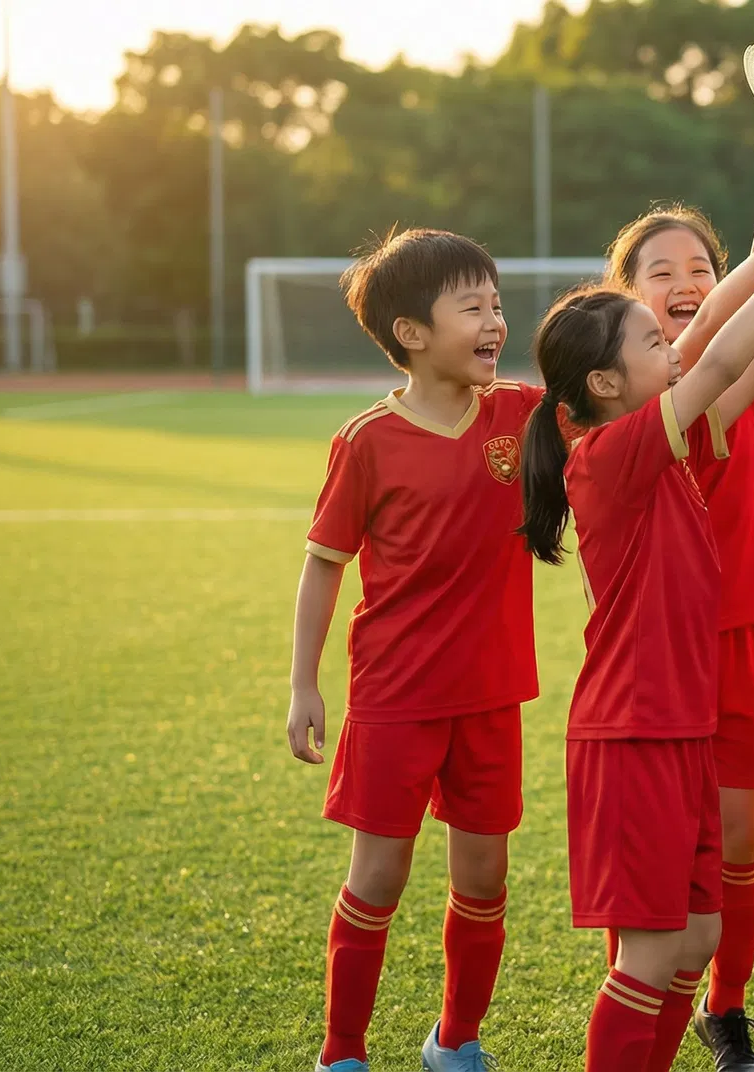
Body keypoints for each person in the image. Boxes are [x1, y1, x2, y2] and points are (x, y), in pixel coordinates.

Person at [517, 199, 754, 1071]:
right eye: (649, 342)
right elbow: (713, 353)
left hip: (681, 727)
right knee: (648, 954)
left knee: (699, 933)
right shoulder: (611, 454)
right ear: (605, 385)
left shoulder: (660, 441)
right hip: (633, 731)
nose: (671, 348)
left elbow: (743, 368)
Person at [600, 139, 754, 1071]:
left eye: (700, 268)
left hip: (740, 630)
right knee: (654, 853)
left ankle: (725, 1005)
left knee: (738, 841)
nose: (686, 282)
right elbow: (713, 333)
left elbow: (741, 320)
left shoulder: (726, 380)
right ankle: (632, 991)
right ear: (622, 301)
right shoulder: (637, 408)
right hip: (650, 659)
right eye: (658, 272)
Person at [285, 228, 538, 1072]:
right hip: (395, 698)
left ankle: (456, 1041)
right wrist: (304, 686)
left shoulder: (520, 414)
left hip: (493, 693)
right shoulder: (367, 440)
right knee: (378, 882)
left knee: (484, 881)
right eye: (473, 306)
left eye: (497, 304)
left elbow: (621, 389)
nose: (495, 320)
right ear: (412, 334)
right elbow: (323, 569)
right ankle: (342, 1053)